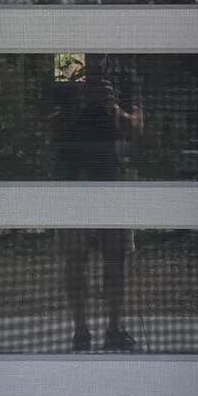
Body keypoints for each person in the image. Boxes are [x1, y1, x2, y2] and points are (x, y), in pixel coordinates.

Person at [53, 57, 143, 351]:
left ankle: (114, 329)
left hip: (113, 179)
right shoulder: (66, 68)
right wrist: (80, 103)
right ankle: (80, 331)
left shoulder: (124, 73)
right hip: (73, 180)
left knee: (116, 257)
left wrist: (114, 108)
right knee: (74, 258)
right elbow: (49, 129)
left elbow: (137, 130)